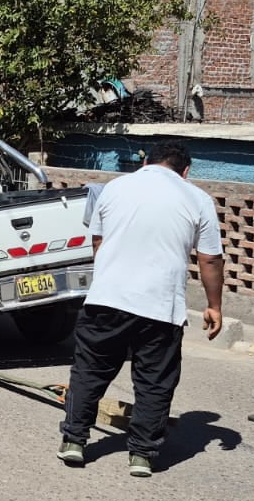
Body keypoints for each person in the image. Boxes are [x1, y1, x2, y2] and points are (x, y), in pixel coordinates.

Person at [57, 141, 225, 478]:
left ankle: (74, 441)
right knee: (154, 381)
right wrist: (214, 306)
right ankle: (142, 456)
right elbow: (210, 258)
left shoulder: (115, 188)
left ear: (145, 161)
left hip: (107, 299)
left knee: (89, 371)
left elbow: (98, 243)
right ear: (186, 170)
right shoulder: (198, 199)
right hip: (160, 307)